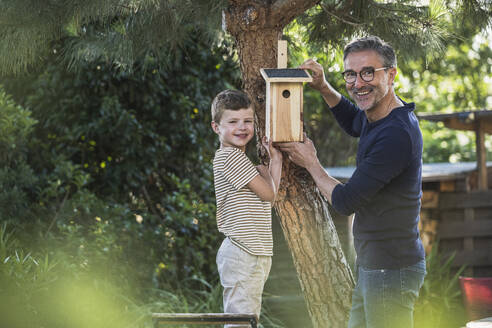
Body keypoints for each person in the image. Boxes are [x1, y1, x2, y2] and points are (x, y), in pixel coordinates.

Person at [277, 36, 426, 328]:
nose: (358, 83)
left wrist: (311, 163)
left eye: (368, 72)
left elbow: (346, 201)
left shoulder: (396, 134)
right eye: (351, 74)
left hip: (390, 269)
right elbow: (353, 121)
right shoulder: (378, 117)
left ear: (391, 74)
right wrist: (322, 87)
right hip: (375, 266)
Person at [211, 89, 282, 327]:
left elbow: (269, 197)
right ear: (216, 128)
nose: (242, 127)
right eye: (232, 122)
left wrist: (275, 162)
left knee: (247, 319)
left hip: (255, 251)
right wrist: (265, 170)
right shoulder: (229, 157)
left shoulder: (241, 161)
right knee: (240, 322)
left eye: (248, 121)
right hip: (242, 251)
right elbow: (269, 193)